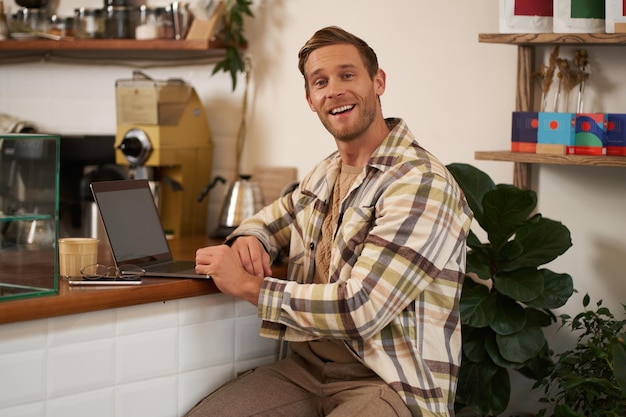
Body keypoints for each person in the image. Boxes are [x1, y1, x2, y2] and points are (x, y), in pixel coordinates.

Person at [188, 26, 473, 417]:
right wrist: (248, 238)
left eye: (347, 75)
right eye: (321, 82)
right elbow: (271, 220)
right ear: (310, 99)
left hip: (387, 382)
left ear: (378, 82)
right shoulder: (325, 173)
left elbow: (362, 307)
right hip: (306, 370)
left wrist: (251, 286)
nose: (334, 90)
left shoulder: (420, 183)